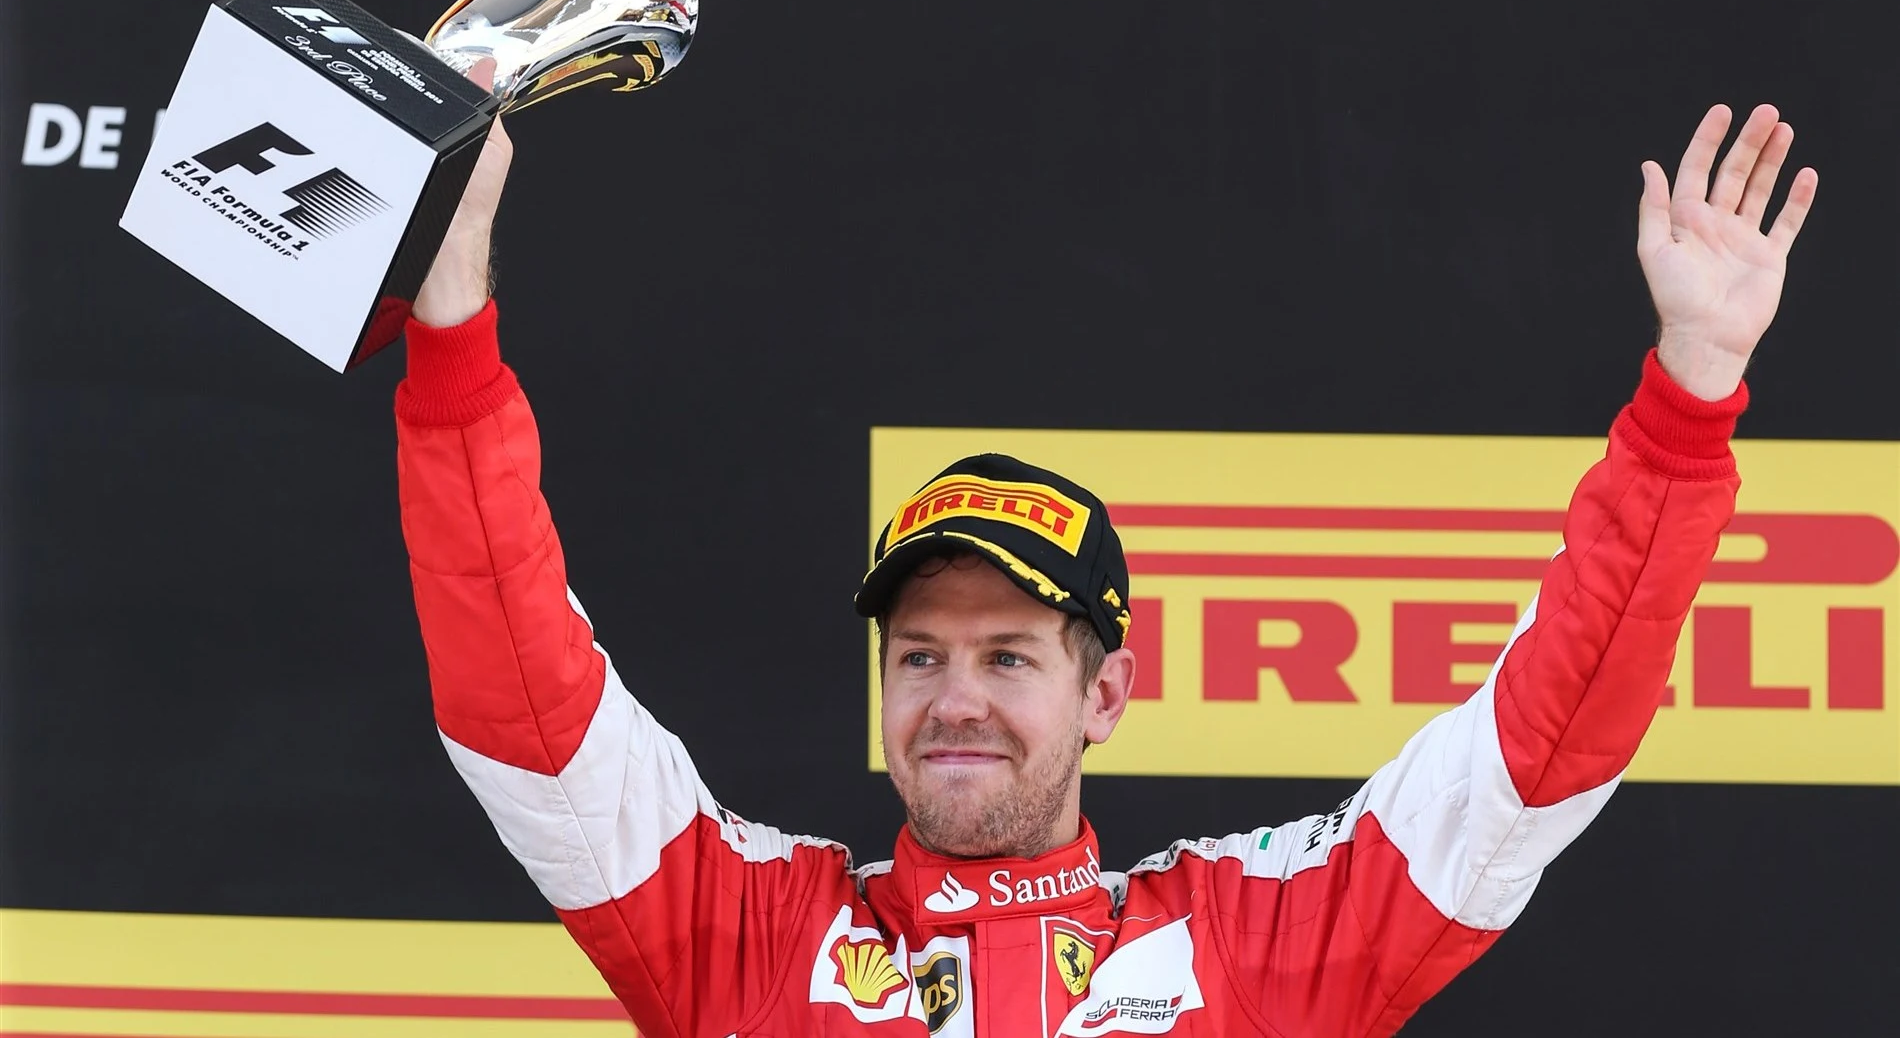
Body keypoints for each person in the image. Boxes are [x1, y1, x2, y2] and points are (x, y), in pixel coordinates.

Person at [392, 60, 1817, 1036]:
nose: (954, 696)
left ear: (1108, 694)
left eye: (1010, 654)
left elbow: (1543, 744)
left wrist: (1688, 398)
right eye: (923, 655)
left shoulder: (1249, 947)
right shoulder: (749, 937)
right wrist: (452, 330)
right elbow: (525, 707)